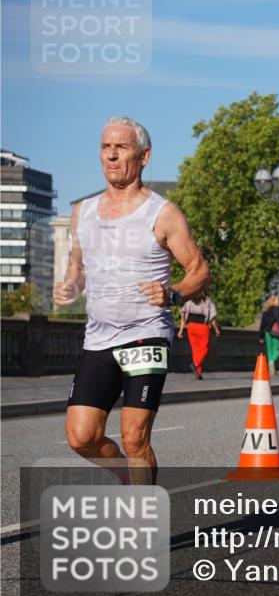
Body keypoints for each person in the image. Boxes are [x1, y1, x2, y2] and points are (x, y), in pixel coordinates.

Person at [54, 116, 209, 485]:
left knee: (134, 437)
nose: (111, 155)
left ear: (144, 156)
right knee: (81, 436)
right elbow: (78, 268)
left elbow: (200, 271)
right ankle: (130, 475)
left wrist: (172, 294)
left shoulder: (162, 213)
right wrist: (69, 287)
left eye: (121, 147)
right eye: (105, 147)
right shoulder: (83, 213)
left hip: (145, 334)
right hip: (99, 338)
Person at [177, 292, 220, 380]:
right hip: (202, 327)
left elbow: (185, 317)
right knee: (204, 348)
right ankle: (195, 365)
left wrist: (181, 330)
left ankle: (198, 373)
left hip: (191, 327)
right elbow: (212, 318)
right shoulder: (208, 301)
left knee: (195, 350)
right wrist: (216, 329)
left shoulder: (189, 301)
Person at [258, 294, 279, 378]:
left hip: (267, 332)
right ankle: (272, 362)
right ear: (274, 301)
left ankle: (271, 366)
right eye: (278, 300)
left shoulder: (266, 310)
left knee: (270, 351)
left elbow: (262, 324)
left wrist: (261, 336)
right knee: (277, 350)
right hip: (277, 332)